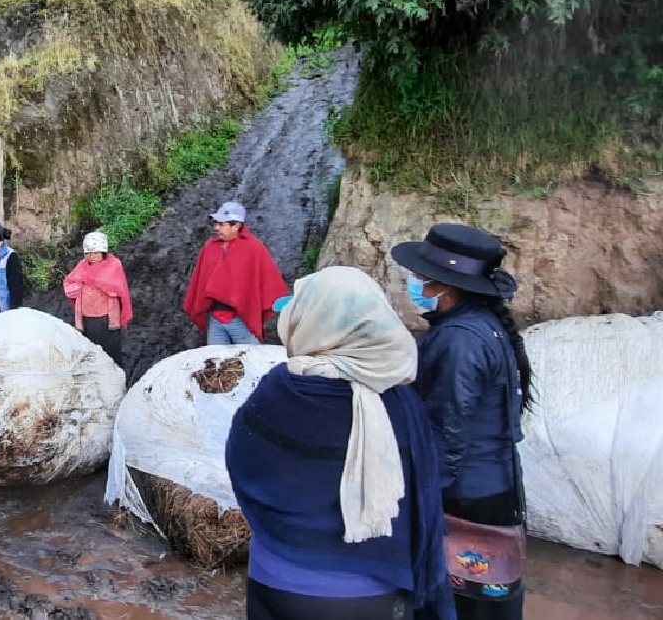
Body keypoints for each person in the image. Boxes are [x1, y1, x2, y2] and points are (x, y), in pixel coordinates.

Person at [225, 266, 456, 620]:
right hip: (372, 589)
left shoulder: (277, 389)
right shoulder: (399, 403)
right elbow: (422, 495)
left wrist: (278, 524)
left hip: (276, 578)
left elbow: (240, 464)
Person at [392, 223, 533, 620]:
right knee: (485, 598)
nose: (415, 285)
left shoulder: (459, 341)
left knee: (460, 600)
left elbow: (447, 429)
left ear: (445, 287)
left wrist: (424, 502)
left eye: (422, 279)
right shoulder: (482, 326)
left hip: (466, 495)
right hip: (491, 484)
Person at [183, 201, 288, 345]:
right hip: (215, 319)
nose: (216, 228)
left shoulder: (253, 248)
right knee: (215, 363)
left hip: (241, 320)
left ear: (237, 225)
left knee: (250, 360)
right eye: (216, 224)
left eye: (221, 224)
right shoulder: (210, 247)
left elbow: (269, 280)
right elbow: (200, 281)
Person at [62, 231, 133, 367]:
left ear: (103, 252)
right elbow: (69, 285)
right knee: (90, 352)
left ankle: (115, 380)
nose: (92, 256)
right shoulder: (82, 266)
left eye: (96, 253)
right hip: (86, 318)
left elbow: (115, 287)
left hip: (105, 319)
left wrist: (88, 281)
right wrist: (79, 286)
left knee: (110, 353)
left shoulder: (113, 265)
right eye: (89, 253)